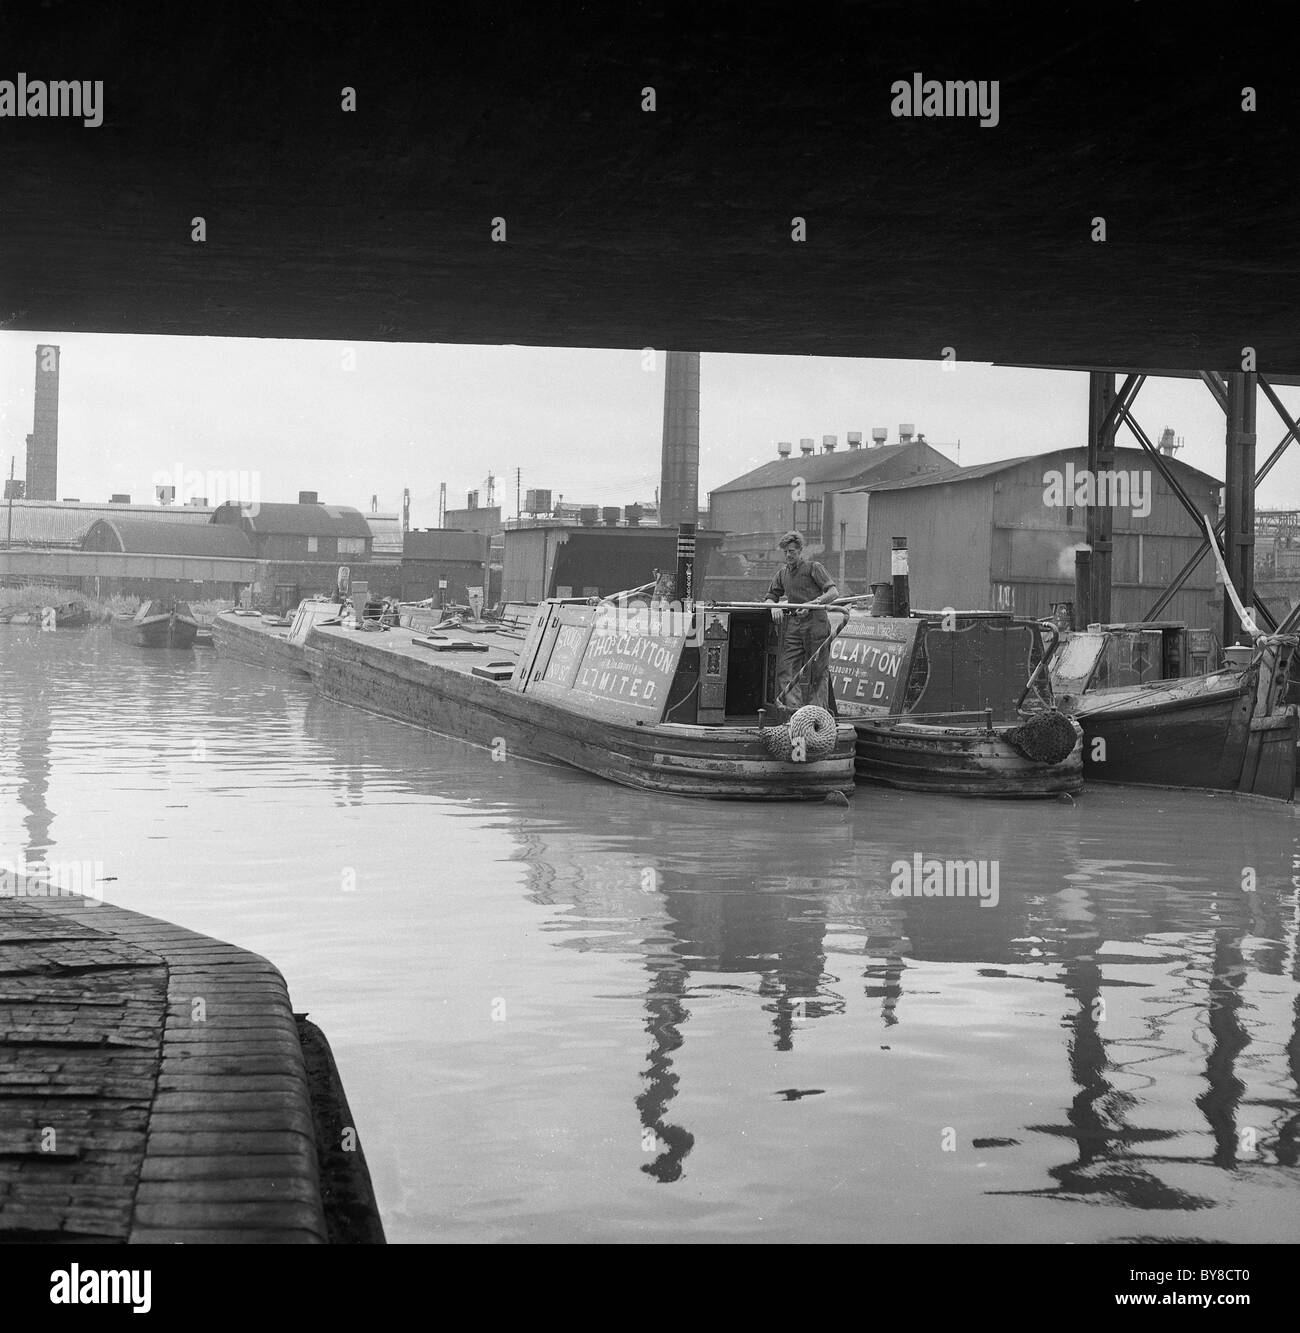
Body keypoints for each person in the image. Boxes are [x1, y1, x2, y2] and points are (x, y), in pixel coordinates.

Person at [765, 530, 840, 710]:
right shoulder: (782, 574)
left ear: (800, 551)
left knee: (818, 672)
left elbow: (833, 592)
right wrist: (773, 606)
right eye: (785, 552)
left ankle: (816, 714)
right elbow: (770, 596)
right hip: (794, 627)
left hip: (817, 625)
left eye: (792, 551)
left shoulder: (814, 568)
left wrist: (813, 604)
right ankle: (795, 713)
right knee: (786, 668)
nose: (788, 555)